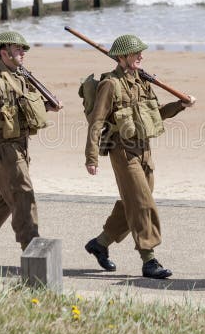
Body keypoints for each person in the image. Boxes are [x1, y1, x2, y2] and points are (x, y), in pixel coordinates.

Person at [83, 34, 195, 279]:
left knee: (131, 204)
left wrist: (179, 104)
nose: (141, 57)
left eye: (140, 53)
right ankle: (149, 259)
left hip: (145, 150)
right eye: (136, 54)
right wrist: (91, 158)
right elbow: (96, 122)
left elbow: (156, 114)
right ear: (122, 58)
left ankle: (100, 244)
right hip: (122, 151)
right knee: (143, 204)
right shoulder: (110, 85)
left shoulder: (142, 81)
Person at [0, 31, 60, 263]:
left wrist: (47, 106)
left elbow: (21, 109)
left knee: (8, 197)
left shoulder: (20, 77)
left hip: (20, 145)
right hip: (2, 147)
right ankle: (32, 251)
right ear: (4, 53)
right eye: (18, 50)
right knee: (23, 195)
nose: (23, 53)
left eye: (23, 49)